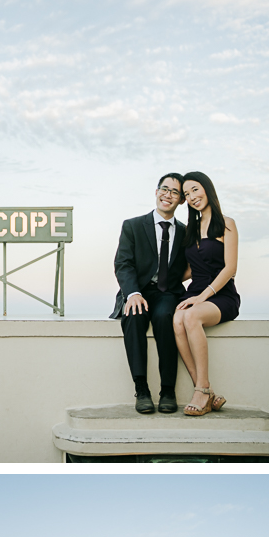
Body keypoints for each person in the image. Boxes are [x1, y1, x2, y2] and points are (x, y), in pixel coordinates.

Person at [110, 174, 190, 414]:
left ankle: (168, 390)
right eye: (164, 189)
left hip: (167, 292)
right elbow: (123, 263)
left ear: (181, 200)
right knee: (133, 317)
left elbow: (190, 266)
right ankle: (141, 389)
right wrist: (132, 292)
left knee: (166, 317)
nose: (168, 195)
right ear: (156, 192)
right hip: (139, 291)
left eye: (175, 192)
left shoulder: (186, 233)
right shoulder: (133, 225)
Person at [174, 171, 240, 416]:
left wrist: (202, 297)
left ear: (207, 189)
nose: (191, 197)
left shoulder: (226, 223)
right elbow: (191, 269)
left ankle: (201, 389)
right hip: (195, 293)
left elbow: (230, 268)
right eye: (187, 194)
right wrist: (154, 277)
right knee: (177, 319)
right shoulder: (191, 229)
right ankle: (204, 391)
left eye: (195, 189)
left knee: (190, 316)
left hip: (221, 295)